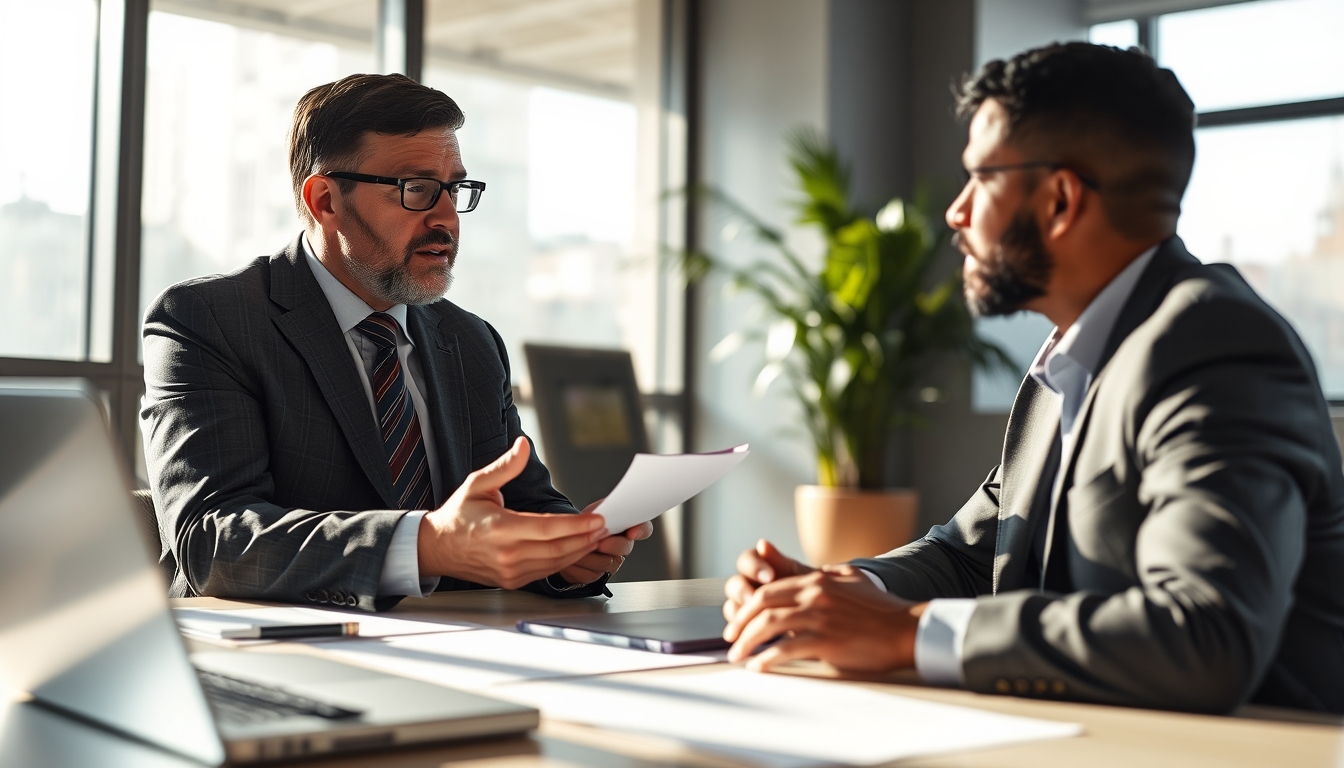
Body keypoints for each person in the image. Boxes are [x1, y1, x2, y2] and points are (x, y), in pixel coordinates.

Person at [721, 42, 1344, 713]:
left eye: (980, 179)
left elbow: (1207, 635)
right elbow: (969, 556)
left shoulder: (1215, 345)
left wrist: (905, 631)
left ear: (1059, 200)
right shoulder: (1069, 362)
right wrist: (834, 591)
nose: (955, 213)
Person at [142, 73, 650, 611]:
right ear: (325, 199)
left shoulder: (470, 341)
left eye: (455, 189)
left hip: (462, 646)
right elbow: (214, 542)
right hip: (283, 654)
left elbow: (523, 504)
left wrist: (564, 552)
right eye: (418, 189)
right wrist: (426, 545)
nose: (448, 218)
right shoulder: (209, 321)